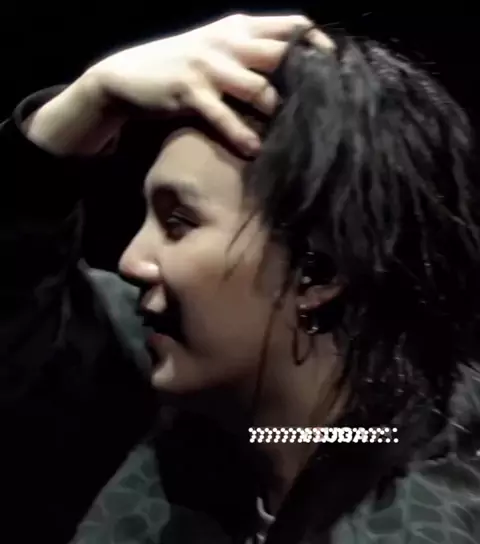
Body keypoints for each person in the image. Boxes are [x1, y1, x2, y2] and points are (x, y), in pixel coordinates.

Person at [2, 11, 480, 544]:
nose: (132, 260)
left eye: (179, 223)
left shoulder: (431, 513)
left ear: (318, 271)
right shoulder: (177, 390)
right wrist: (86, 103)